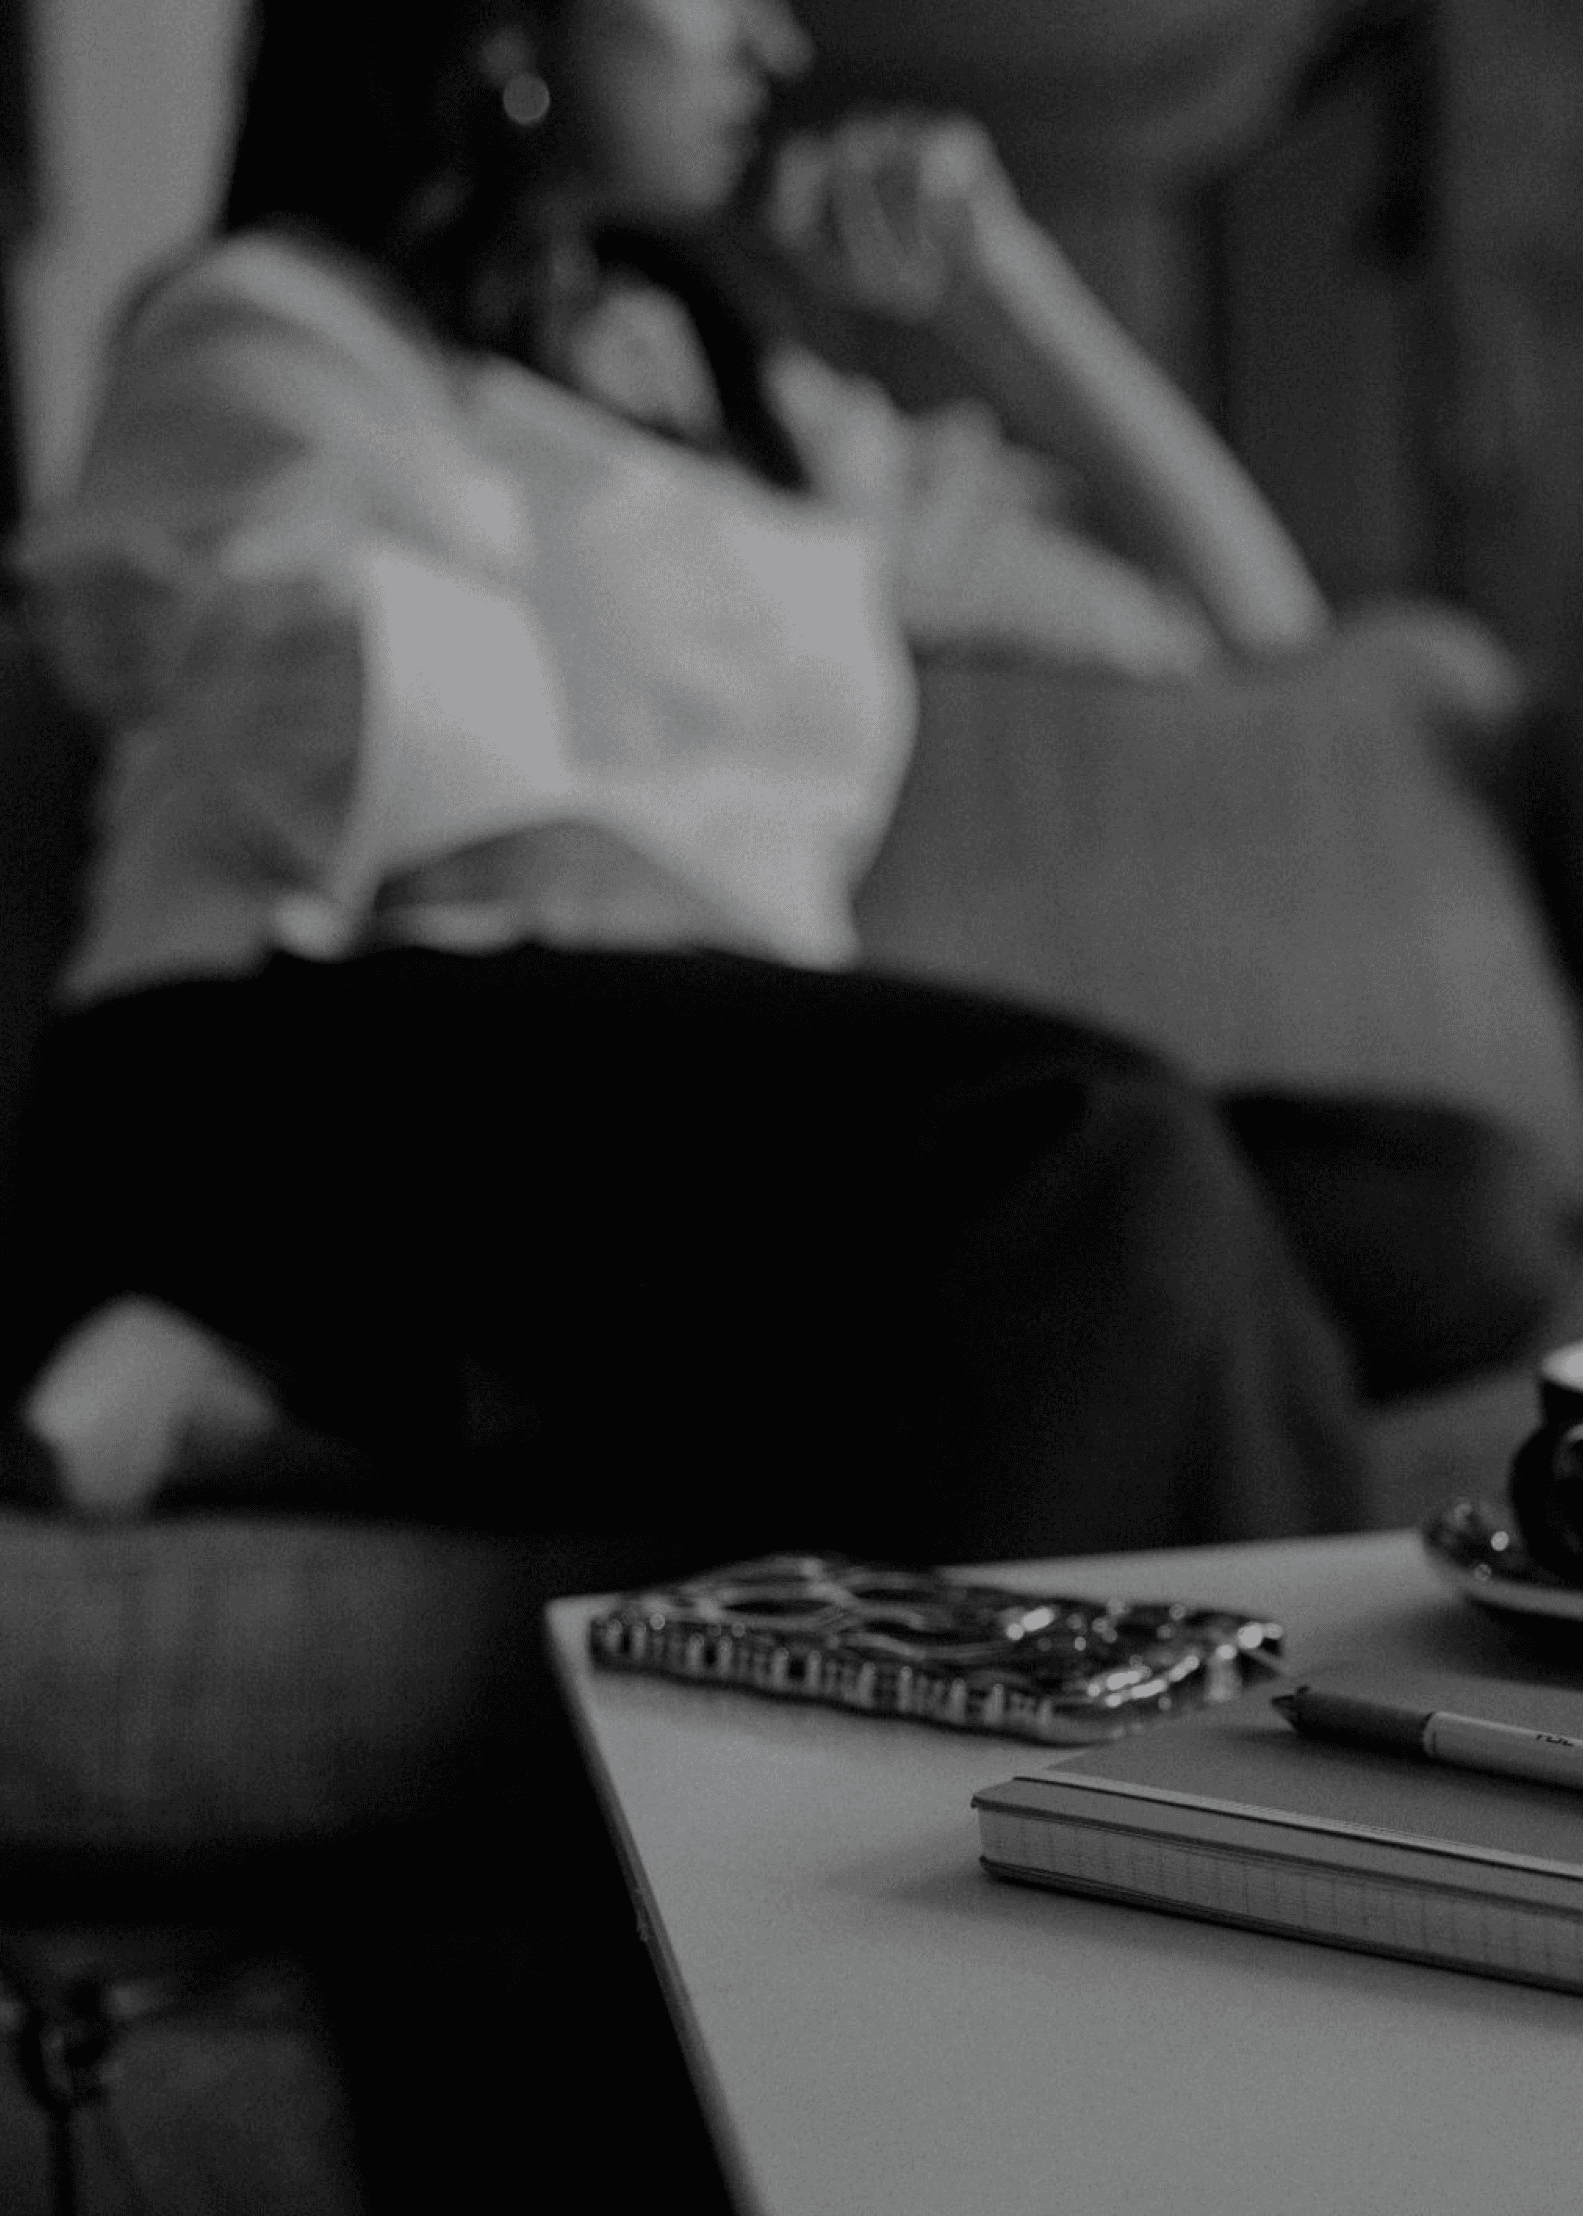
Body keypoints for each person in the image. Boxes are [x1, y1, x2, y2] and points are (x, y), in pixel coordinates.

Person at [0, 0, 1436, 1554]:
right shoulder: (273, 325)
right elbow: (447, 816)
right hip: (289, 1067)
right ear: (505, 29)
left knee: (1441, 1213)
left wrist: (1003, 290)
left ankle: (396, 1408)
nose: (775, 43)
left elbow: (1254, 630)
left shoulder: (748, 396)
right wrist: (880, 1072)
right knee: (1097, 1164)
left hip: (684, 1113)